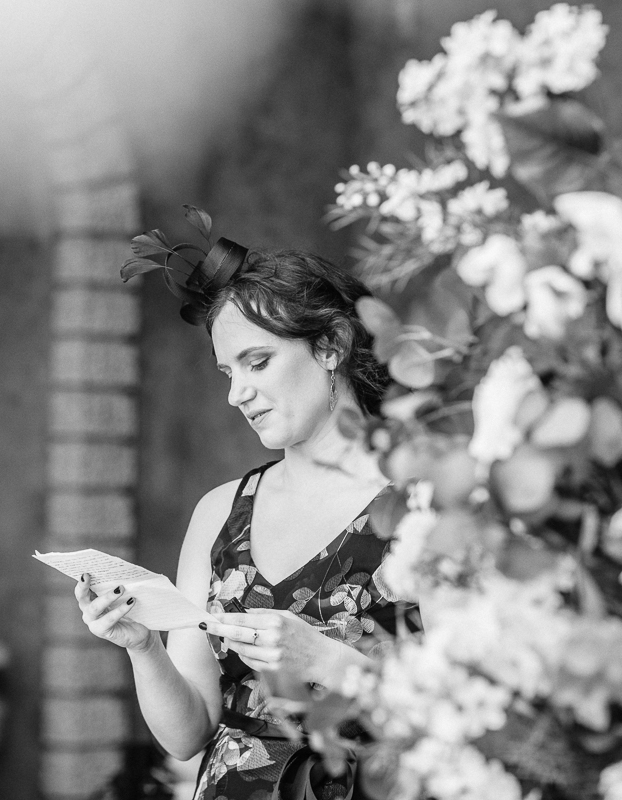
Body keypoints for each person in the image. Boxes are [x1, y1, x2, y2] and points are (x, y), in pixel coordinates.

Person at [76, 216, 413, 800]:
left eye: (257, 362)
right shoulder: (219, 513)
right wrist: (142, 646)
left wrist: (327, 662)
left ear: (330, 345)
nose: (237, 394)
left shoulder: (423, 503)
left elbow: (480, 714)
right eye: (228, 373)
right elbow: (186, 736)